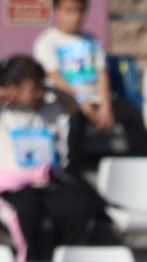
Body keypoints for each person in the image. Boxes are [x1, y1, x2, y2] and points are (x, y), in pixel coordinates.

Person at [0, 55, 110, 262]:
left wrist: (50, 88)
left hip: (42, 184)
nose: (39, 93)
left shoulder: (44, 112)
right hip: (9, 188)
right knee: (25, 212)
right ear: (12, 87)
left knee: (79, 207)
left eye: (40, 87)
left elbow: (72, 106)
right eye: (34, 88)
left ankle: (69, 261)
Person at [32, 0, 124, 163]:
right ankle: (72, 172)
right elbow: (55, 78)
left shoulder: (92, 41)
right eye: (70, 11)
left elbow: (102, 75)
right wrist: (82, 101)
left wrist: (105, 106)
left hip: (95, 100)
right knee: (73, 119)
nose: (76, 17)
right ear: (57, 11)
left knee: (132, 116)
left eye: (80, 11)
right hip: (67, 100)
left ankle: (141, 165)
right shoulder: (47, 41)